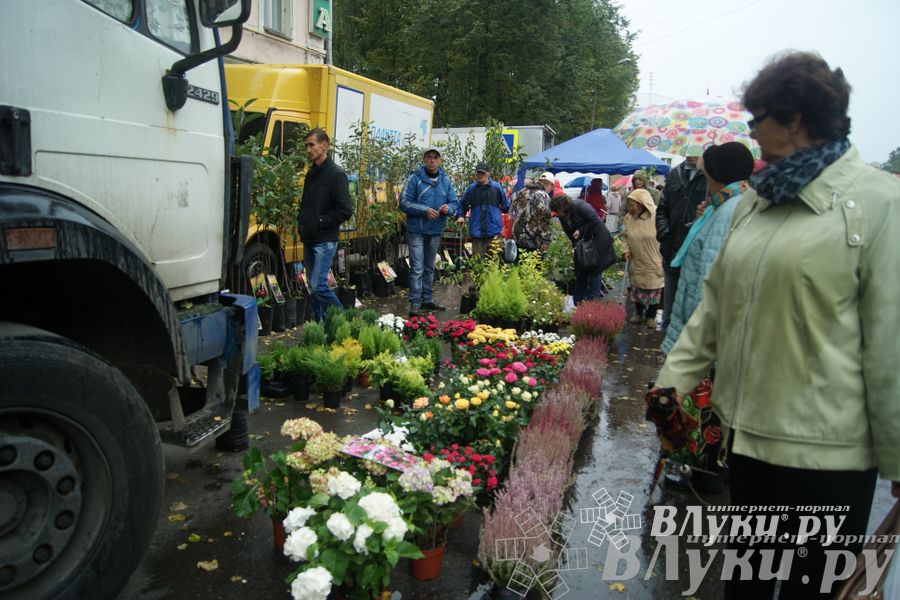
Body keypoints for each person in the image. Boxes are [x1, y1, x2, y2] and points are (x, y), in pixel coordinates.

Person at [653, 51, 900, 599]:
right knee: (746, 587)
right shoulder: (754, 206)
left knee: (803, 592)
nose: (752, 133)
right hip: (749, 442)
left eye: (758, 119)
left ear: (793, 120)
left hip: (828, 458)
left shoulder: (880, 204)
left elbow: (891, 342)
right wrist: (670, 383)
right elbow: (714, 307)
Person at [658, 142, 755, 491]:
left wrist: (697, 336)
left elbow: (708, 277)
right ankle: (707, 469)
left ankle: (704, 476)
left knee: (705, 407)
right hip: (711, 326)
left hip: (708, 329)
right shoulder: (728, 204)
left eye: (706, 165)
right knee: (707, 404)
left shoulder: (728, 210)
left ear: (714, 172)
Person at [297, 128, 353, 322]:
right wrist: (303, 225)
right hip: (310, 237)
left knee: (319, 285)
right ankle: (322, 330)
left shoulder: (335, 174)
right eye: (306, 145)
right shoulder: (311, 173)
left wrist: (320, 222)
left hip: (324, 239)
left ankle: (344, 321)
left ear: (324, 145)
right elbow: (307, 205)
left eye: (312, 144)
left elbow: (345, 210)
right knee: (313, 288)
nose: (308, 149)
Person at [400, 146, 459, 316]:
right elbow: (404, 203)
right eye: (429, 157)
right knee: (417, 267)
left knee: (429, 267)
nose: (432, 160)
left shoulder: (446, 181)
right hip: (416, 230)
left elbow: (455, 203)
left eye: (435, 157)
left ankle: (427, 299)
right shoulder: (414, 179)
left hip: (435, 230)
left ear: (439, 161)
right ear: (424, 160)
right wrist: (424, 210)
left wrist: (449, 208)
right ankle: (415, 302)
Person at [656, 152, 707, 331]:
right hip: (671, 249)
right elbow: (662, 208)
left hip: (695, 250)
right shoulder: (675, 173)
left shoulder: (709, 174)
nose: (693, 154)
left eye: (697, 150)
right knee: (669, 309)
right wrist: (664, 233)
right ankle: (668, 350)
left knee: (690, 309)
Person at [549, 194, 615, 303]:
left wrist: (580, 230)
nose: (556, 214)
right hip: (582, 244)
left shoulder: (580, 206)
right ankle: (578, 301)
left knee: (595, 270)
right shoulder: (562, 216)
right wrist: (575, 246)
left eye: (557, 211)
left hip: (597, 240)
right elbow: (569, 232)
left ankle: (592, 303)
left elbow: (595, 221)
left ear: (563, 207)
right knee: (581, 270)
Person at [620, 189, 664, 327]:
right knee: (637, 288)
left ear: (642, 204)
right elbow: (625, 236)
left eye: (632, 205)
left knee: (653, 290)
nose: (630, 208)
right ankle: (638, 313)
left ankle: (651, 316)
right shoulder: (629, 218)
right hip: (637, 259)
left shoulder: (657, 214)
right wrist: (626, 249)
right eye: (629, 205)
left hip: (653, 258)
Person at [456, 163, 509, 256]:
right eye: (478, 173)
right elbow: (462, 205)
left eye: (482, 173)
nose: (480, 175)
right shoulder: (472, 189)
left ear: (488, 174)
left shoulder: (497, 188)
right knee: (478, 263)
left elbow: (506, 207)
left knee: (494, 262)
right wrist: (460, 216)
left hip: (494, 230)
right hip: (477, 231)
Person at [511, 175, 552, 252]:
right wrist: (546, 240)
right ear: (549, 184)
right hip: (531, 239)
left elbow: (513, 211)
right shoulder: (543, 195)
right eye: (551, 187)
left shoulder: (523, 191)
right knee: (533, 262)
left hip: (517, 234)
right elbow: (544, 219)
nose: (551, 190)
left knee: (520, 262)